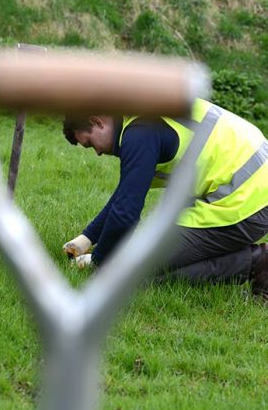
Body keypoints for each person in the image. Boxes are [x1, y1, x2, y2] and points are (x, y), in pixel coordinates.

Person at [62, 98, 268, 299]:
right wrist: (86, 239)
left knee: (131, 274)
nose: (97, 153)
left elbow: (125, 214)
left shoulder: (139, 133)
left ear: (97, 121)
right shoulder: (141, 117)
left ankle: (256, 262)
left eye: (90, 144)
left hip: (246, 200)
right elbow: (123, 198)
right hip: (252, 189)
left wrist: (100, 263)